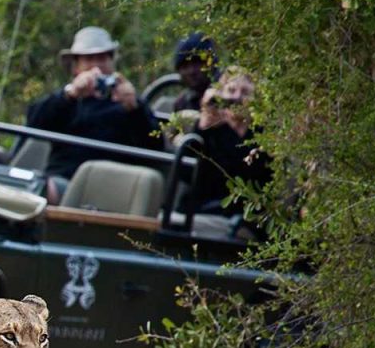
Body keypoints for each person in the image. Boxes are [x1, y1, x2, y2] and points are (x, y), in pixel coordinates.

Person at [26, 27, 161, 204]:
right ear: (76, 67)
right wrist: (71, 94)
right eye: (89, 59)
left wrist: (134, 109)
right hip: (63, 178)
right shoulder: (65, 101)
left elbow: (155, 147)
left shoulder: (129, 103)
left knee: (43, 191)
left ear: (112, 62)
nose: (96, 66)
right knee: (33, 187)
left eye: (102, 58)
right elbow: (33, 124)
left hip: (109, 186)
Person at [182, 67, 272, 217]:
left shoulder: (263, 137)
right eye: (231, 91)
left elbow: (252, 181)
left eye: (245, 93)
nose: (237, 98)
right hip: (200, 209)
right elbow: (185, 174)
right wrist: (201, 128)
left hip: (241, 216)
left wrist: (238, 129)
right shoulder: (210, 130)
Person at [171, 32, 219, 112]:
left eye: (197, 63)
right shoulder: (182, 104)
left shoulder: (231, 94)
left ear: (211, 64)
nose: (191, 71)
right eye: (185, 66)